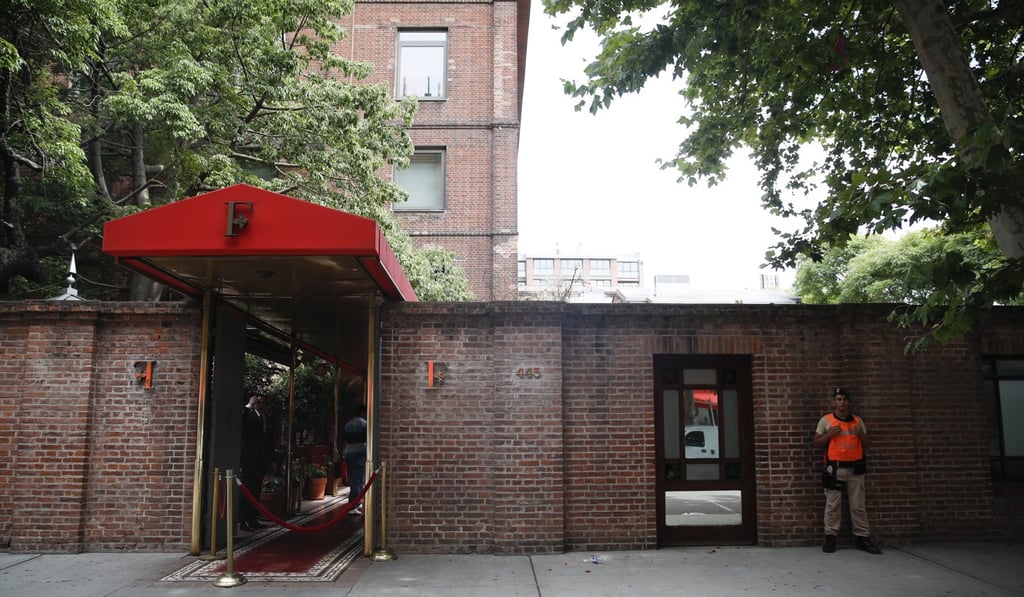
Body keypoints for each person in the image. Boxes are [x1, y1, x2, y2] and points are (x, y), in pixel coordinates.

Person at [813, 387, 882, 554]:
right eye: (838, 399)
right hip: (835, 469)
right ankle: (830, 538)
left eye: (844, 399)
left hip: (855, 468)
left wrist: (860, 434)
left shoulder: (857, 421)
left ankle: (862, 537)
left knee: (858, 505)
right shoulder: (826, 420)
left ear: (848, 402)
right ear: (834, 402)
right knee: (833, 505)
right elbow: (817, 443)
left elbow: (867, 443)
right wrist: (829, 434)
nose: (842, 402)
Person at [239, 394, 271, 532]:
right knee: (247, 490)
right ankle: (243, 520)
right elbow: (241, 421)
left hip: (260, 459)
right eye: (258, 402)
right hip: (249, 459)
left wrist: (271, 459)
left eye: (263, 402)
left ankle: (253, 518)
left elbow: (269, 440)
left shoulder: (266, 418)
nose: (261, 405)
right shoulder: (248, 415)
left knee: (256, 489)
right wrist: (248, 406)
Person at [342, 406, 368, 516]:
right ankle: (354, 505)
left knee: (353, 479)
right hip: (359, 451)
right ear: (363, 412)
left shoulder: (348, 424)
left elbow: (344, 439)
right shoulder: (364, 424)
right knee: (358, 480)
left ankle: (354, 502)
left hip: (348, 452)